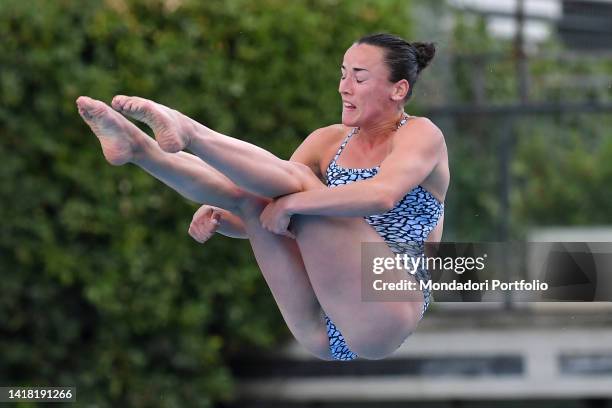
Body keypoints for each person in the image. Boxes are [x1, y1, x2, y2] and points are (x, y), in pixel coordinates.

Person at [76, 33, 449, 361]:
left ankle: (187, 130)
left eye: (359, 76)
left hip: (390, 302)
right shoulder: (327, 141)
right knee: (249, 197)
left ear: (398, 90)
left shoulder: (420, 135)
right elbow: (274, 213)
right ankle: (139, 149)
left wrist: (292, 203)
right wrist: (228, 222)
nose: (344, 86)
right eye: (342, 73)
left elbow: (381, 196)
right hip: (323, 333)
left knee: (296, 184)